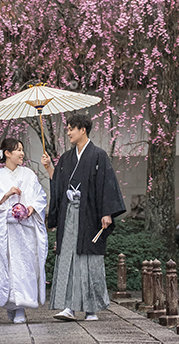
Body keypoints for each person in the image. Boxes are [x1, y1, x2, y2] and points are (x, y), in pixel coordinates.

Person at [41, 111, 126, 321]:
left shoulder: (98, 155)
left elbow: (107, 184)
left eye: (71, 128)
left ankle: (90, 309)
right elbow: (59, 183)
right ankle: (68, 307)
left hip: (90, 215)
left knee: (89, 259)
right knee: (68, 256)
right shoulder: (67, 158)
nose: (68, 132)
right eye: (68, 128)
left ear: (83, 130)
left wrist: (106, 213)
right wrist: (48, 167)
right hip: (70, 214)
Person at [0, 137, 48, 323]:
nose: (22, 153)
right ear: (7, 153)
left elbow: (40, 196)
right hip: (6, 231)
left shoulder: (28, 174)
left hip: (24, 231)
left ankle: (21, 308)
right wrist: (6, 194)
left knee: (24, 267)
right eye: (18, 150)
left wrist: (30, 209)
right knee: (7, 266)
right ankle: (11, 304)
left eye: (22, 149)